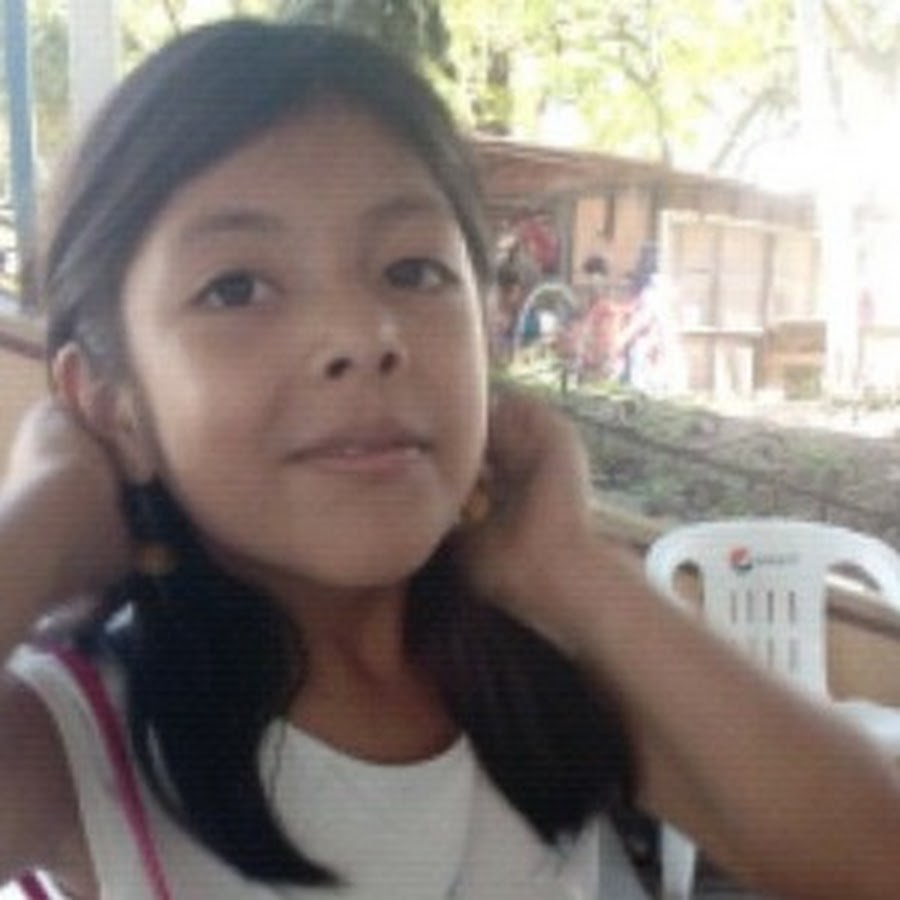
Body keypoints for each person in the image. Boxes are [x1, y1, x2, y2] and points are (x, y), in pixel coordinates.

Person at [0, 17, 897, 900]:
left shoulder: (542, 680)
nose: (362, 335)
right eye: (236, 287)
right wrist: (46, 514)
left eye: (412, 271)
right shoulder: (74, 740)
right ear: (112, 405)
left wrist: (567, 569)